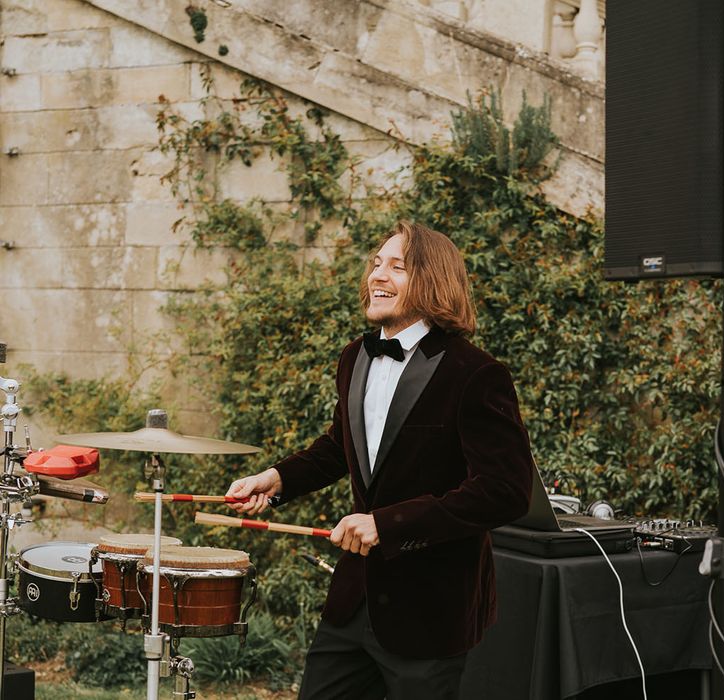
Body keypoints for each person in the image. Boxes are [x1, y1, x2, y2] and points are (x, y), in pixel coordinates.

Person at [227, 220, 534, 700]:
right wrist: (277, 478)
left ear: (433, 280)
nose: (377, 275)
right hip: (354, 601)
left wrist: (388, 524)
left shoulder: (476, 374)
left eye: (396, 266)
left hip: (432, 610)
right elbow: (339, 445)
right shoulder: (355, 357)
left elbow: (505, 490)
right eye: (375, 264)